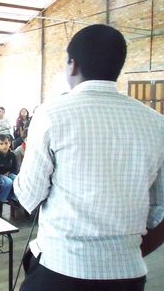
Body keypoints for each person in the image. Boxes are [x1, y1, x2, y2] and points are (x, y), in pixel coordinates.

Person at [14, 24, 164, 291]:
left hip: (63, 268)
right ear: (119, 66)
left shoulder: (51, 114)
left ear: (72, 65)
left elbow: (29, 195)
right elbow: (158, 210)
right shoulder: (157, 123)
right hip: (127, 273)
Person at [0, 134, 19, 214]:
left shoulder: (12, 154)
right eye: (1, 144)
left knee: (18, 180)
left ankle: (12, 198)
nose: (4, 146)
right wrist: (1, 173)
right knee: (8, 182)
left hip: (8, 174)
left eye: (6, 143)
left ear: (10, 143)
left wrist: (9, 172)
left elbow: (14, 167)